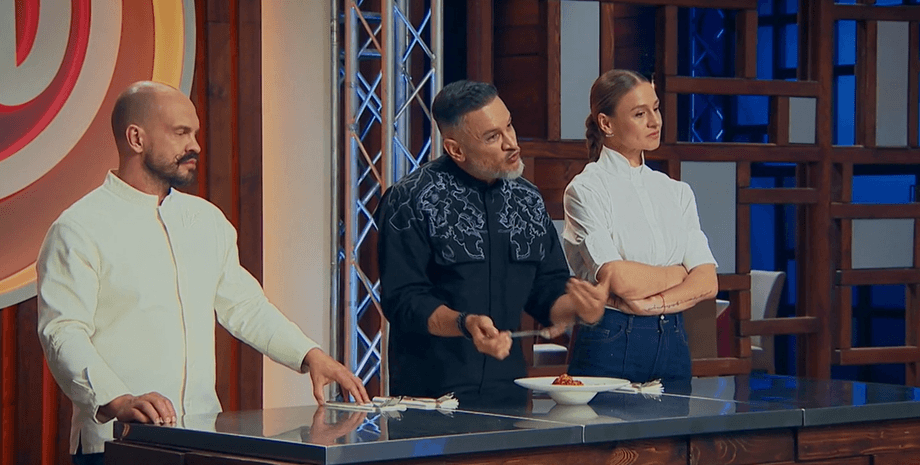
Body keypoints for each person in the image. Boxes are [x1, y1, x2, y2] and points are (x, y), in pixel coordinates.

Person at [36, 81, 370, 465]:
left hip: (201, 439)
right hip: (116, 444)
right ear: (136, 138)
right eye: (181, 133)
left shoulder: (207, 221)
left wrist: (309, 355)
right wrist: (118, 399)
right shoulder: (79, 227)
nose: (194, 145)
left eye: (194, 133)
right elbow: (62, 332)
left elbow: (245, 306)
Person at [375, 80, 607, 405]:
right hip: (431, 398)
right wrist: (465, 323)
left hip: (509, 394)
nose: (511, 143)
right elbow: (404, 300)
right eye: (493, 137)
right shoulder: (410, 200)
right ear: (456, 149)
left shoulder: (528, 199)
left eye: (509, 125)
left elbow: (547, 289)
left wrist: (579, 308)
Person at [562, 69, 718, 383]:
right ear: (606, 123)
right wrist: (678, 273)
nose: (654, 121)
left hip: (673, 337)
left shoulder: (677, 192)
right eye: (639, 113)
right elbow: (619, 280)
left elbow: (707, 281)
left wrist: (653, 304)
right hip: (611, 338)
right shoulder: (586, 190)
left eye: (656, 109)